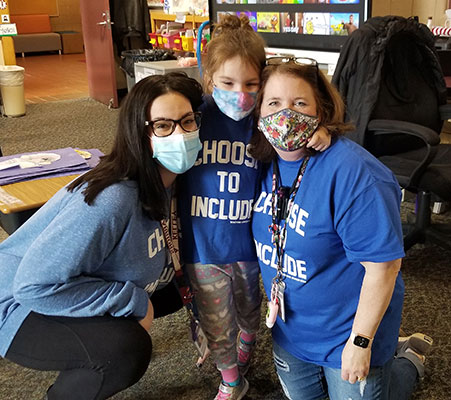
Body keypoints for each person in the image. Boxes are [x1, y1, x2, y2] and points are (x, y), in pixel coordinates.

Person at [0, 72, 204, 400]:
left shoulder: (173, 181)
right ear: (140, 134)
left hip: (72, 279)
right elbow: (32, 286)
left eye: (187, 121)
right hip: (19, 304)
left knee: (186, 286)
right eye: (163, 126)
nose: (180, 134)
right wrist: (132, 302)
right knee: (125, 352)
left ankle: (89, 344)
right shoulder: (114, 198)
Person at [250, 57, 433, 400]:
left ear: (320, 111)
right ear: (258, 112)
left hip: (349, 335)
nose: (285, 115)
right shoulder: (258, 163)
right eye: (273, 103)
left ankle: (408, 361)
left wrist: (361, 342)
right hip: (290, 332)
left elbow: (385, 267)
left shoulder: (357, 175)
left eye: (299, 103)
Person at [178, 15, 331, 400]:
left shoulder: (264, 121)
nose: (240, 95)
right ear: (210, 76)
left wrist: (320, 130)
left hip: (252, 248)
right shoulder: (195, 117)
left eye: (251, 85)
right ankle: (231, 379)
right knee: (216, 323)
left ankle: (245, 350)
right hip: (203, 248)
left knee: (249, 315)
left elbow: (296, 136)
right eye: (227, 84)